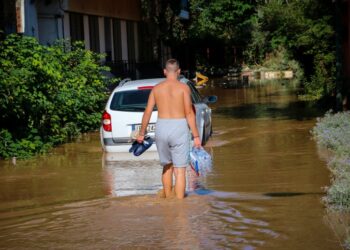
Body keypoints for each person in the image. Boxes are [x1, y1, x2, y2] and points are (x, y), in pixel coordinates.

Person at [137, 59, 201, 199]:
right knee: (180, 170)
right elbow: (189, 113)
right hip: (179, 127)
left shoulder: (156, 89)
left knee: (167, 166)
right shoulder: (184, 88)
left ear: (165, 71)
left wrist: (142, 133)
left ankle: (167, 201)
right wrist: (196, 136)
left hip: (161, 127)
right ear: (179, 71)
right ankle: (179, 206)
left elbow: (147, 112)